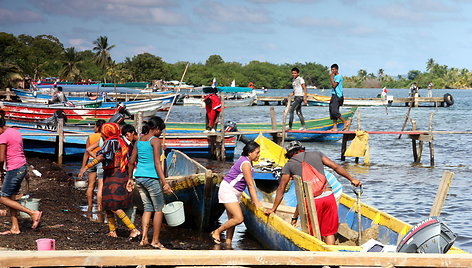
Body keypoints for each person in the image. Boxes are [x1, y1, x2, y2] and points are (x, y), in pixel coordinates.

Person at [265, 141, 361, 245]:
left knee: (314, 233)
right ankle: (331, 257)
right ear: (302, 149)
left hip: (313, 201)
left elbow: (281, 188)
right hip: (329, 196)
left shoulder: (289, 165)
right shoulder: (317, 154)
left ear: (289, 155)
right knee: (329, 232)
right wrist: (352, 179)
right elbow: (336, 167)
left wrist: (273, 208)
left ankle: (316, 254)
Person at [78, 123, 140, 239]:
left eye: (103, 132)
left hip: (114, 175)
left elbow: (101, 157)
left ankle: (133, 229)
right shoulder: (121, 141)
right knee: (107, 203)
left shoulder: (110, 142)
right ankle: (112, 231)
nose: (101, 135)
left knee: (114, 205)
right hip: (118, 174)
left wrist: (86, 167)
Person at [127, 116, 172, 249]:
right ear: (156, 129)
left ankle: (144, 239)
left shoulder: (139, 140)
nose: (161, 133)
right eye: (161, 130)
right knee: (159, 209)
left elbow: (131, 161)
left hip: (139, 177)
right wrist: (164, 182)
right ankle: (155, 241)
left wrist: (130, 178)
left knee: (147, 208)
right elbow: (157, 163)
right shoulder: (155, 141)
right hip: (151, 178)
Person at [210, 141, 263, 247]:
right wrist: (256, 202)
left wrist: (255, 199)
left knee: (232, 219)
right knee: (238, 218)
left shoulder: (246, 160)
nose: (259, 155)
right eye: (257, 153)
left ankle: (228, 243)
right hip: (228, 190)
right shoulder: (246, 164)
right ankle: (216, 232)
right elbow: (250, 184)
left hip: (235, 191)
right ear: (249, 153)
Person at [0, 113, 42, 234]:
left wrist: (1, 171)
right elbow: (19, 151)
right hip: (21, 167)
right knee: (11, 197)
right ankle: (15, 227)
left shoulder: (2, 137)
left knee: (3, 198)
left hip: (14, 169)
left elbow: (1, 159)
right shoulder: (15, 132)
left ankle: (32, 213)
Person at [81, 119, 106, 215]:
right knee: (100, 186)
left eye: (94, 126)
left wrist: (83, 167)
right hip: (100, 161)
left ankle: (90, 205)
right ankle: (100, 207)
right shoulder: (104, 137)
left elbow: (86, 153)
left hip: (91, 161)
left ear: (98, 127)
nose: (93, 128)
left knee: (90, 185)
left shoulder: (90, 137)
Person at [329, 64, 350, 131]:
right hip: (333, 95)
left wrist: (331, 78)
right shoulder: (335, 77)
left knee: (335, 111)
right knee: (332, 111)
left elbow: (334, 85)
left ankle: (345, 122)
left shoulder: (338, 76)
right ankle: (335, 127)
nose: (333, 71)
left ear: (337, 69)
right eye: (332, 69)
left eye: (334, 69)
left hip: (338, 96)